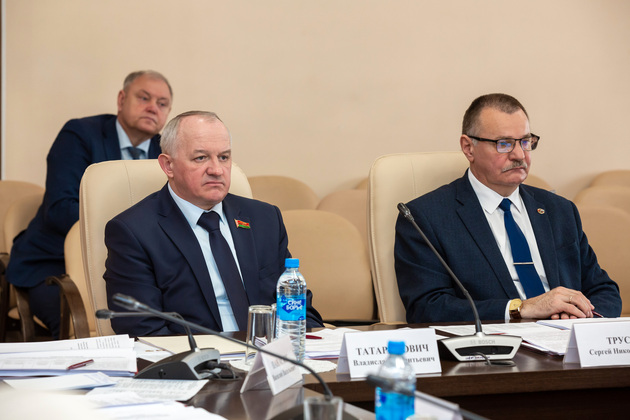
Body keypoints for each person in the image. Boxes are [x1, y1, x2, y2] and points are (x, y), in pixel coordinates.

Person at [395, 93, 621, 323]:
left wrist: (580, 316)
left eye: (526, 142)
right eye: (504, 144)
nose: (519, 155)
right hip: (497, 341)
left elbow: (604, 290)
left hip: (565, 336)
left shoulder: (560, 210)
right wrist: (520, 309)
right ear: (468, 148)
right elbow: (427, 308)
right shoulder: (425, 218)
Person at [103, 111, 324, 336]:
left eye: (224, 157)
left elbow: (299, 309)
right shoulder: (134, 232)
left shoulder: (264, 219)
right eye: (201, 158)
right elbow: (142, 329)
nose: (217, 170)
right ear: (168, 165)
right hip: (196, 354)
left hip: (269, 351)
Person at [7, 70, 173, 338]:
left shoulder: (165, 152)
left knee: (158, 324)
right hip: (55, 265)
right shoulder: (80, 135)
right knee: (83, 331)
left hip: (131, 269)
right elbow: (61, 209)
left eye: (162, 103)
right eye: (144, 98)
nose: (153, 107)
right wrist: (130, 234)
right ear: (121, 99)